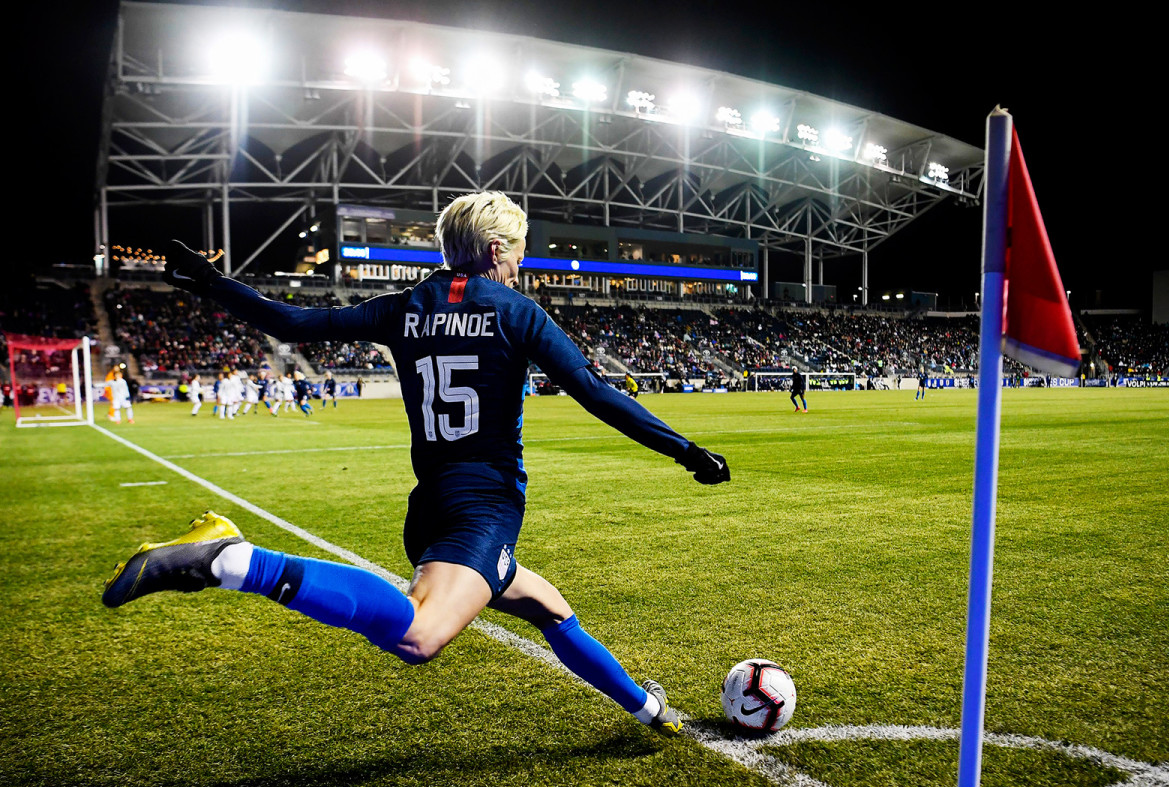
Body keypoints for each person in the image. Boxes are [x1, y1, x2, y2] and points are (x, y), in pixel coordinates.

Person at [103, 190, 730, 736]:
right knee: (420, 637)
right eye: (516, 253)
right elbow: (597, 394)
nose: (519, 266)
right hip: (482, 507)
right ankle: (233, 559)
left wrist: (214, 284)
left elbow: (291, 325)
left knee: (547, 607)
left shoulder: (403, 306)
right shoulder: (517, 313)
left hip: (428, 508)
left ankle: (647, 709)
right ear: (492, 248)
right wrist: (687, 451)